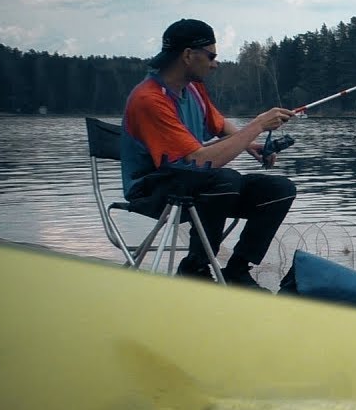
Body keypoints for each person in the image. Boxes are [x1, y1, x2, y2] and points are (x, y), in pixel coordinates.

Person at [120, 18, 297, 290]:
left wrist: (251, 145)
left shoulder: (193, 89)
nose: (215, 63)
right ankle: (195, 269)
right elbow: (199, 161)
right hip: (151, 189)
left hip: (193, 185)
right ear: (189, 55)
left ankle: (238, 271)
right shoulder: (149, 99)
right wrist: (258, 125)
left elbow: (220, 126)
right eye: (211, 56)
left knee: (278, 188)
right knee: (224, 179)